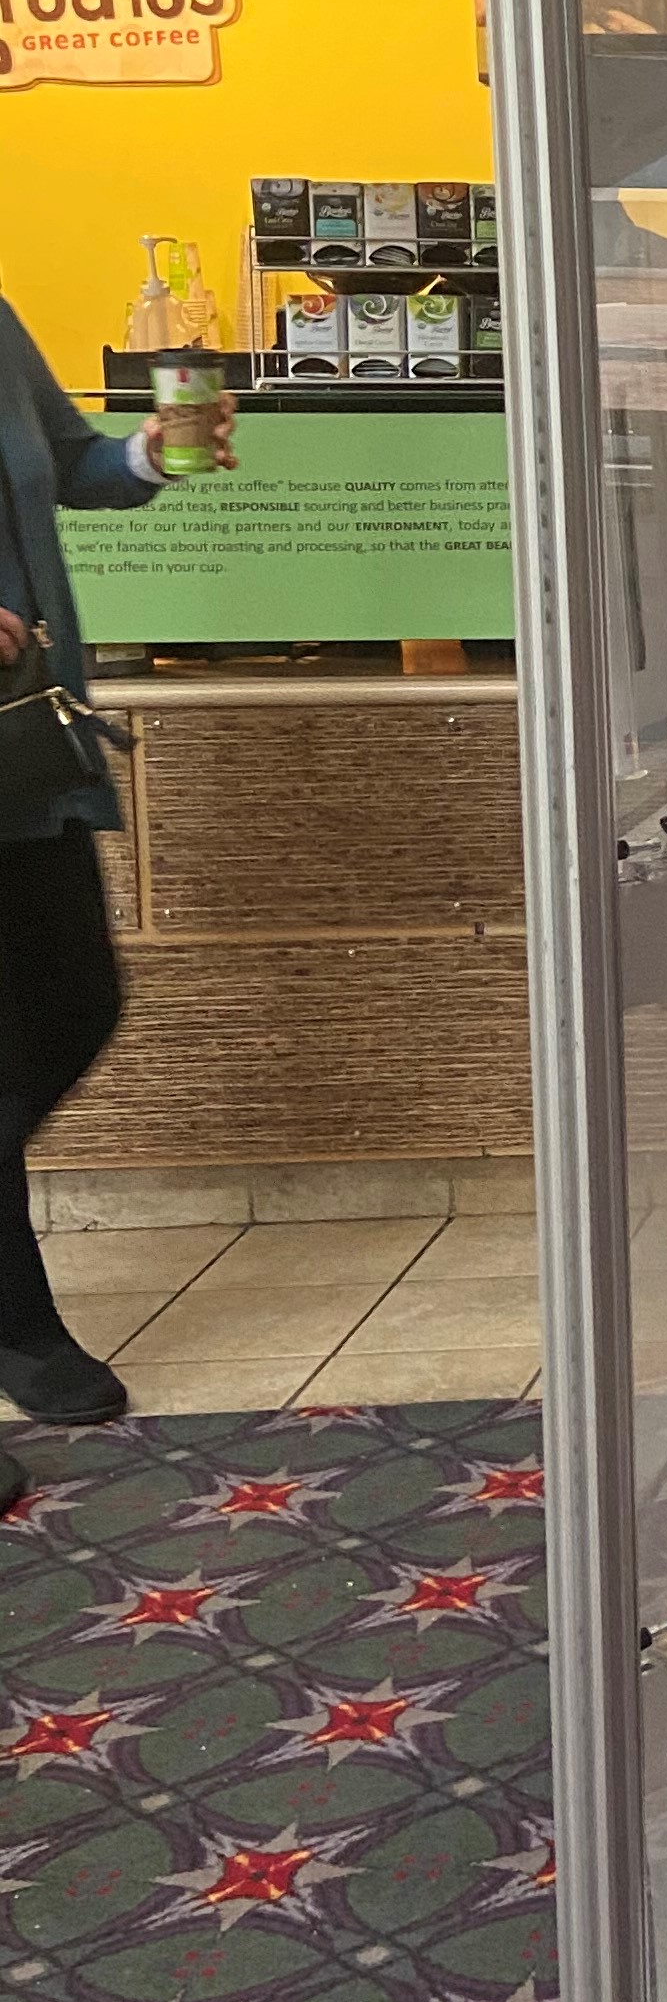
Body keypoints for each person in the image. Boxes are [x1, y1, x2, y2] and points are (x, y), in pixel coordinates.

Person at [0, 293, 237, 1494]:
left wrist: (148, 451)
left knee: (78, 1001)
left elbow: (73, 461)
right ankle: (23, 1327)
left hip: (22, 740)